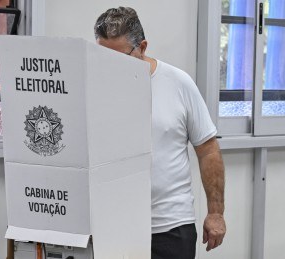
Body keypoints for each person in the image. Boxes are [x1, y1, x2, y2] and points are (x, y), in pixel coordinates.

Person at [94, 7, 226, 259]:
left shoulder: (178, 83)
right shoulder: (92, 86)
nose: (109, 66)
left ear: (142, 47)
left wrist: (216, 212)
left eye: (119, 58)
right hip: (111, 225)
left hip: (171, 227)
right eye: (102, 56)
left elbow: (208, 150)